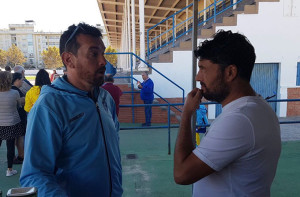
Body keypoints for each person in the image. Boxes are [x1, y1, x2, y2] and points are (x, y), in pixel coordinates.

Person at [173, 30, 281, 196]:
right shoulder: (258, 108)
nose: (198, 77)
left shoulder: (239, 119)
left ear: (230, 72)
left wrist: (187, 114)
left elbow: (181, 174)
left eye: (203, 69)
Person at [20, 23, 123, 197]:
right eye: (93, 54)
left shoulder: (105, 98)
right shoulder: (49, 106)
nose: (103, 61)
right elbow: (35, 175)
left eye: (103, 53)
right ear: (68, 60)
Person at [0, 71, 25, 177]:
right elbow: (19, 105)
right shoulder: (14, 93)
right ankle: (9, 170)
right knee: (10, 147)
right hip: (12, 123)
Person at [11, 72, 27, 164]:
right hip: (19, 117)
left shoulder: (10, 90)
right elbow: (22, 102)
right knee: (20, 137)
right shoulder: (16, 91)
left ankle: (15, 156)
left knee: (15, 138)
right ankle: (21, 156)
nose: (22, 82)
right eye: (21, 80)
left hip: (13, 118)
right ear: (16, 80)